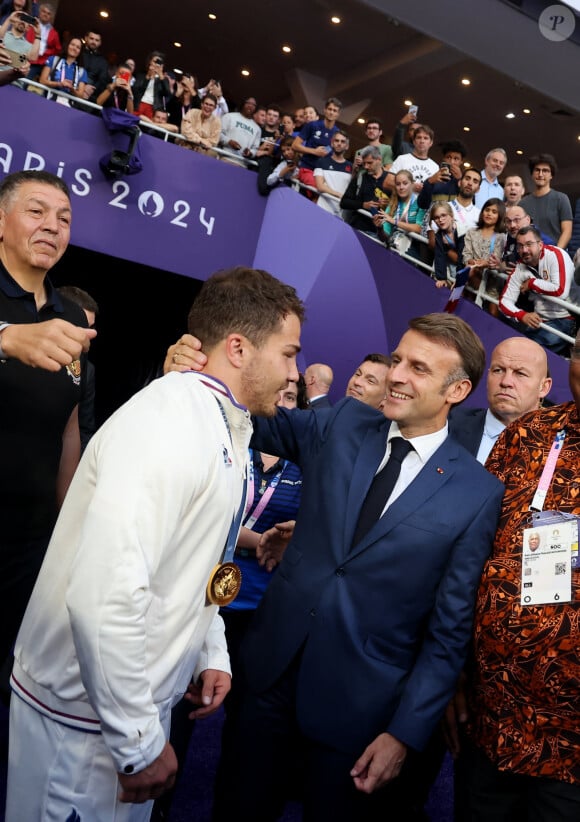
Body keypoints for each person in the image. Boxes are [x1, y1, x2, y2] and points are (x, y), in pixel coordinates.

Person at [170, 314, 504, 822]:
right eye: (397, 360)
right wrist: (200, 375)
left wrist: (404, 734)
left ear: (456, 389)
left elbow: (448, 634)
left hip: (361, 713)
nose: (396, 375)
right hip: (267, 683)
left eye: (417, 367)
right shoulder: (345, 421)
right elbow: (258, 419)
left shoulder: (476, 494)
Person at [7, 266, 304, 821]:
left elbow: (194, 563)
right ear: (238, 348)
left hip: (123, 712)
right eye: (288, 353)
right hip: (84, 723)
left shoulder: (222, 422)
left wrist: (207, 651)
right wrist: (140, 742)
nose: (294, 372)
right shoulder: (169, 424)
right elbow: (103, 597)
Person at [447, 327, 580, 822]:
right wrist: (452, 670)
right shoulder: (526, 437)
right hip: (493, 717)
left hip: (572, 748)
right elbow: (468, 559)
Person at [0, 170, 96, 671]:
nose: (52, 227)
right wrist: (5, 339)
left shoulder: (73, 318)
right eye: (36, 211)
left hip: (30, 540)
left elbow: (69, 426)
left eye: (64, 218)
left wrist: (67, 527)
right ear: (1, 219)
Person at [449, 336, 552, 462]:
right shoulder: (446, 423)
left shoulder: (557, 452)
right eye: (498, 370)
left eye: (520, 374)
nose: (506, 381)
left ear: (543, 388)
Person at [498, 225, 575, 355]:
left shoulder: (556, 255)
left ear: (540, 245)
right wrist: (522, 315)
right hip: (539, 321)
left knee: (525, 354)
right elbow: (504, 302)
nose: (524, 250)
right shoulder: (520, 267)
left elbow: (560, 291)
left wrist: (532, 283)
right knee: (511, 347)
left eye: (529, 244)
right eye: (520, 246)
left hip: (566, 319)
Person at [56, 285, 99, 453]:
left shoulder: (86, 371)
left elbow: (84, 430)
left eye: (91, 327)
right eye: (80, 325)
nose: (87, 335)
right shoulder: (23, 348)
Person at [520, 153, 573, 249]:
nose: (540, 174)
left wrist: (556, 253)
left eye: (545, 171)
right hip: (528, 257)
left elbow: (567, 232)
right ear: (532, 174)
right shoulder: (522, 203)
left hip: (555, 254)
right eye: (537, 170)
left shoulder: (561, 199)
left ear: (551, 175)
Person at [463, 197, 506, 314]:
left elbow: (497, 257)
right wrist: (471, 261)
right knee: (468, 306)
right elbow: (466, 253)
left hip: (492, 280)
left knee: (492, 312)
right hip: (473, 276)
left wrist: (486, 263)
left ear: (500, 216)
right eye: (487, 210)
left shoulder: (501, 236)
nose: (489, 214)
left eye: (494, 212)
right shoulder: (471, 232)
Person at [292, 97, 342, 192]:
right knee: (319, 192)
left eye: (335, 110)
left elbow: (334, 153)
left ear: (338, 114)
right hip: (307, 169)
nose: (331, 112)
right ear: (325, 110)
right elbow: (294, 145)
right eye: (330, 109)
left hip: (324, 174)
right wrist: (314, 151)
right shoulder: (312, 125)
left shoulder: (337, 133)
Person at [340, 146, 388, 234]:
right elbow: (344, 202)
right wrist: (363, 205)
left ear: (379, 159)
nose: (366, 166)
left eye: (369, 163)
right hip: (356, 228)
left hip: (379, 233)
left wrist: (386, 204)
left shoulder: (390, 180)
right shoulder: (360, 177)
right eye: (364, 163)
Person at [375, 169, 425, 254]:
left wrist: (394, 221)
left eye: (405, 183)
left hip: (412, 251)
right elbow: (385, 237)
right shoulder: (392, 205)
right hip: (393, 248)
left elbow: (418, 228)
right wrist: (379, 228)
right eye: (398, 184)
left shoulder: (420, 202)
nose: (401, 187)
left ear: (412, 184)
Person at [384, 125, 439, 194]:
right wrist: (410, 187)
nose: (422, 141)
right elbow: (387, 183)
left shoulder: (435, 167)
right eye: (419, 137)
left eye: (426, 138)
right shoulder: (402, 159)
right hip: (403, 204)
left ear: (431, 143)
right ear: (414, 141)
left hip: (425, 204)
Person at [314, 131, 353, 216]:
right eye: (336, 141)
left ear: (347, 146)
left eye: (343, 142)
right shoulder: (322, 162)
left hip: (341, 213)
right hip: (322, 208)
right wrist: (338, 194)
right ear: (332, 143)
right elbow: (320, 186)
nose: (339, 144)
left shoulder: (351, 167)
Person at [39, 35, 87, 103]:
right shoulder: (53, 59)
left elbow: (80, 95)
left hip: (68, 107)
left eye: (78, 47)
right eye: (72, 44)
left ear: (80, 52)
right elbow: (42, 80)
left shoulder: (82, 71)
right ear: (67, 45)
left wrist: (72, 89)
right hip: (48, 100)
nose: (74, 48)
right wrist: (59, 84)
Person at [429, 202, 464, 288]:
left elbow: (462, 258)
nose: (440, 220)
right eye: (436, 218)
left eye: (443, 215)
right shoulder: (438, 235)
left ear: (451, 215)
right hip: (449, 268)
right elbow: (439, 256)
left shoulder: (462, 231)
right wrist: (442, 278)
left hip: (464, 269)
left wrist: (459, 280)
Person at [219, 96, 262, 164]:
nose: (250, 106)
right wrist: (229, 141)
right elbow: (218, 134)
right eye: (248, 103)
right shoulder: (229, 116)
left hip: (242, 164)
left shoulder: (257, 129)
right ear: (243, 104)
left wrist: (250, 153)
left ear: (255, 109)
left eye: (253, 105)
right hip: (225, 159)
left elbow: (255, 149)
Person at [25, 2, 59, 81]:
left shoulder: (54, 32)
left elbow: (56, 49)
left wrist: (47, 53)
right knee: (23, 82)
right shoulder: (30, 24)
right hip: (28, 57)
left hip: (43, 63)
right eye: (44, 11)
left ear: (51, 17)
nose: (45, 14)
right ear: (39, 12)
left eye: (48, 13)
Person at [132, 51, 171, 118]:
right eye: (155, 61)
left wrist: (161, 75)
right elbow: (135, 90)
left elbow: (167, 93)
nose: (156, 64)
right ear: (150, 62)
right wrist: (148, 77)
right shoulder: (141, 75)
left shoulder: (163, 79)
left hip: (154, 108)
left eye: (159, 62)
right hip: (139, 104)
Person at [80, 29, 109, 102]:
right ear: (86, 38)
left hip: (89, 96)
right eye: (91, 39)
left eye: (97, 40)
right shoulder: (78, 52)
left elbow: (102, 80)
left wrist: (90, 89)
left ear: (100, 43)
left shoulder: (103, 61)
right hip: (72, 88)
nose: (94, 42)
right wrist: (82, 87)